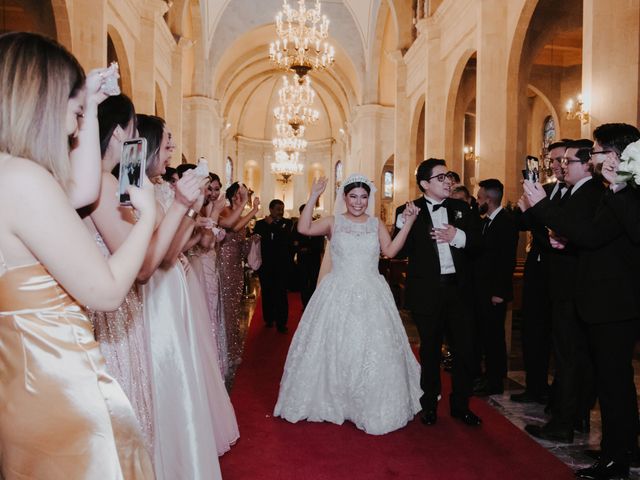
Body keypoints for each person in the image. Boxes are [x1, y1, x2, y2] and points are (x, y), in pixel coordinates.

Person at [0, 32, 156, 478]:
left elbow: (82, 190)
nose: (77, 121)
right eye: (75, 109)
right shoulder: (24, 179)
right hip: (60, 382)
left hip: (21, 383)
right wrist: (145, 219)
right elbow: (105, 292)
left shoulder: (10, 173)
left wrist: (88, 98)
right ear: (45, 99)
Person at [523, 124, 640, 479]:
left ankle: (617, 458)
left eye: (599, 151)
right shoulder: (615, 191)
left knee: (614, 382)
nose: (594, 159)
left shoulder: (630, 190)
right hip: (604, 302)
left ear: (617, 156)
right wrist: (568, 242)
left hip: (616, 304)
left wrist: (543, 207)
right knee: (612, 381)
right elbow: (596, 236)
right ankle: (621, 448)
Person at [274, 174, 422, 435]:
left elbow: (390, 251)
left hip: (371, 293)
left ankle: (366, 402)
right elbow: (304, 228)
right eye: (353, 196)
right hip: (338, 291)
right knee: (335, 345)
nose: (358, 202)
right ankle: (335, 399)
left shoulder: (375, 224)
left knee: (371, 349)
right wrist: (312, 196)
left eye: (363, 197)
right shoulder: (334, 222)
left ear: (369, 199)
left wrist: (408, 224)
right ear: (344, 197)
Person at [521, 139, 602, 444]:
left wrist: (540, 205)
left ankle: (564, 421)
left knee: (569, 356)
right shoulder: (578, 192)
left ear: (587, 164)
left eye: (569, 161)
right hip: (566, 286)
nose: (562, 166)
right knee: (573, 356)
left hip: (572, 288)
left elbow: (574, 228)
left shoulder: (589, 193)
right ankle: (574, 413)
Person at [394, 158, 482, 427]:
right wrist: (405, 223)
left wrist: (457, 236)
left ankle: (461, 406)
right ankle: (429, 405)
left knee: (465, 350)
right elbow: (401, 252)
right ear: (424, 184)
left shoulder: (462, 208)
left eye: (448, 177)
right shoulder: (408, 209)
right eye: (441, 177)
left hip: (459, 292)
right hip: (427, 293)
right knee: (430, 351)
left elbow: (479, 245)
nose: (448, 182)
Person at [511, 140, 570, 405]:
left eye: (561, 160)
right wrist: (523, 209)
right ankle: (534, 387)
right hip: (536, 270)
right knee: (533, 332)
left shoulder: (573, 195)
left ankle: (560, 395)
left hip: (559, 271)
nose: (557, 166)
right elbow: (523, 224)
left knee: (561, 339)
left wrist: (537, 214)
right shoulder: (545, 189)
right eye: (553, 161)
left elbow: (561, 234)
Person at [472, 179, 519, 396]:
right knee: (486, 335)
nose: (478, 201)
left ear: (488, 200)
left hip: (494, 292)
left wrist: (499, 292)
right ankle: (487, 376)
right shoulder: (487, 221)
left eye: (480, 198)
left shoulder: (506, 221)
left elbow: (506, 260)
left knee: (494, 337)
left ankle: (495, 381)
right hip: (483, 290)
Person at [218, 182, 260, 379]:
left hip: (236, 267)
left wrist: (251, 242)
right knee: (225, 308)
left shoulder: (241, 214)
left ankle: (232, 350)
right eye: (238, 194)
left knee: (234, 308)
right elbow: (234, 226)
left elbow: (240, 240)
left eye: (244, 194)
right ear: (232, 195)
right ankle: (224, 351)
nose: (240, 197)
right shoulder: (225, 211)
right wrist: (252, 209)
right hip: (224, 264)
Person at [254, 199, 294, 332]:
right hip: (265, 265)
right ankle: (269, 319)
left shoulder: (287, 223)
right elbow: (256, 242)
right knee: (267, 292)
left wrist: (272, 225)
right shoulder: (260, 224)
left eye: (282, 209)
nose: (281, 212)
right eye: (278, 209)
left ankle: (281, 323)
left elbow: (285, 238)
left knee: (281, 293)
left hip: (281, 265)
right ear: (271, 209)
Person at [294, 203, 325, 308]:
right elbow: (294, 242)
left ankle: (312, 304)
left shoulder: (318, 224)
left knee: (313, 281)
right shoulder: (297, 224)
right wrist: (299, 247)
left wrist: (308, 248)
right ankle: (305, 304)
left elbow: (320, 242)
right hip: (302, 258)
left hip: (314, 258)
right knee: (303, 282)